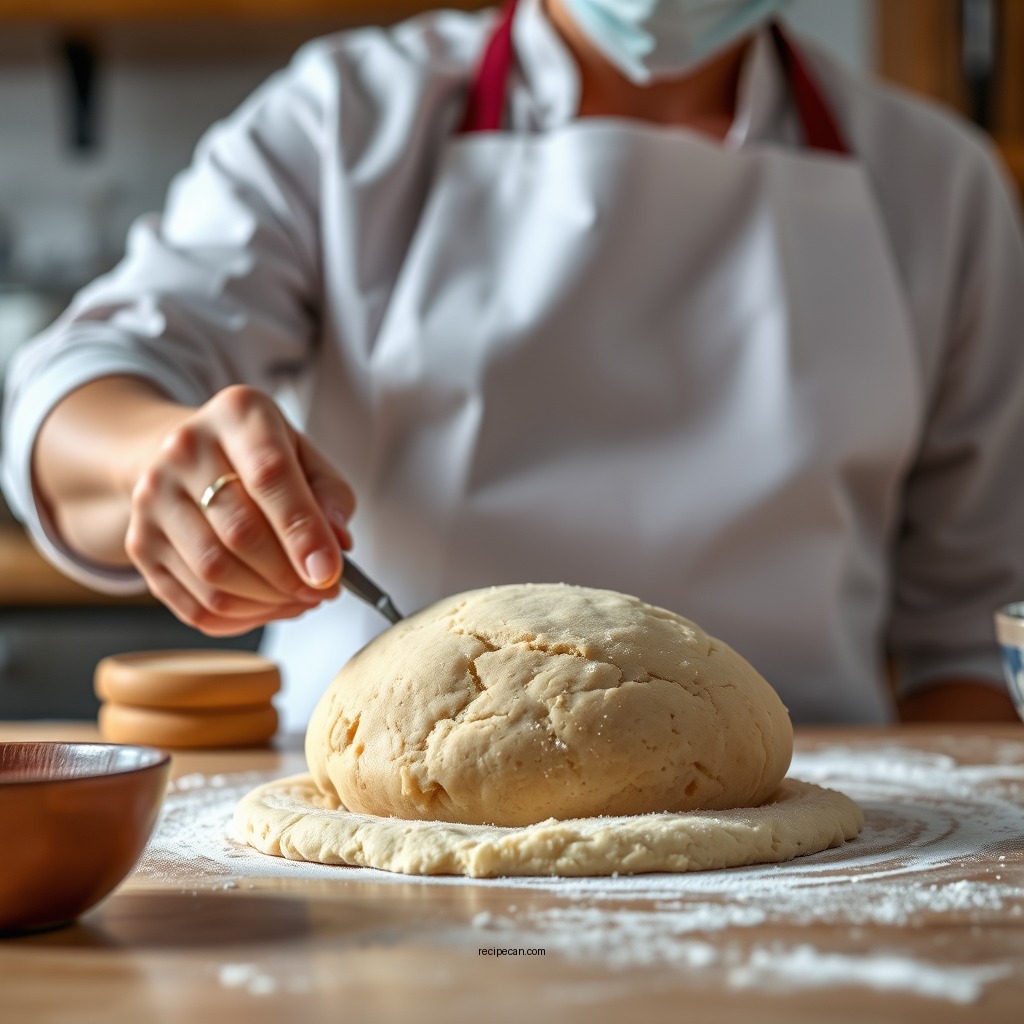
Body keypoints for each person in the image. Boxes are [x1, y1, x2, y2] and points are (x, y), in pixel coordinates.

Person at [3, 0, 1023, 731]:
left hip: (798, 833)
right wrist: (163, 463)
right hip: (376, 846)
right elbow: (80, 382)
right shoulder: (348, 121)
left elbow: (977, 641)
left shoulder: (937, 187)